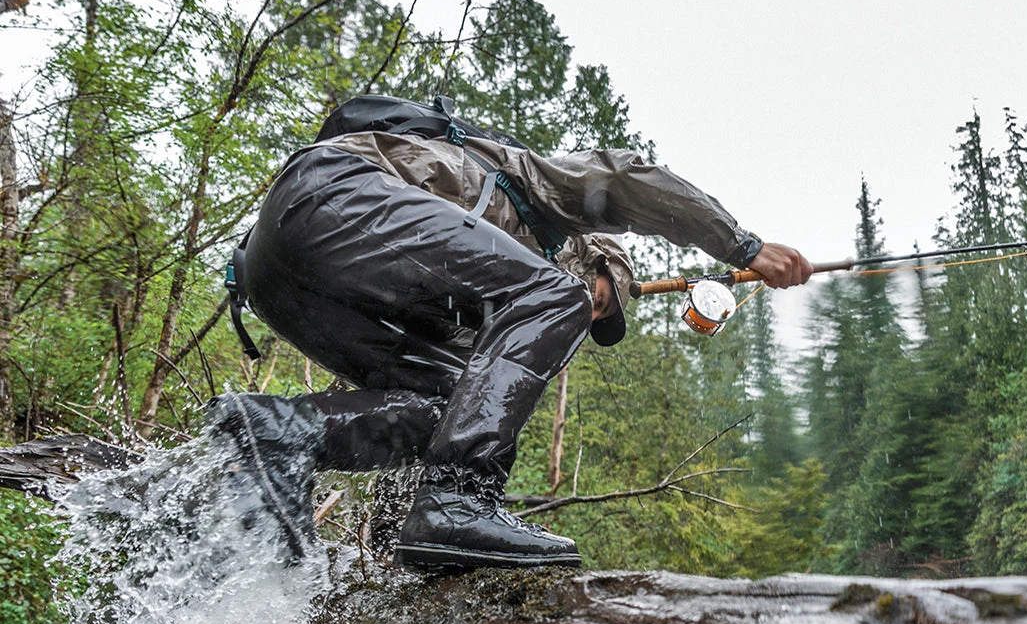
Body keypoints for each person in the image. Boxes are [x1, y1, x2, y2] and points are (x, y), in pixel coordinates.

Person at [208, 98, 812, 570]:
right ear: (593, 256)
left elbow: (449, 412)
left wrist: (400, 540)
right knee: (552, 298)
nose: (586, 318)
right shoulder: (542, 192)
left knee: (451, 398)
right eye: (601, 297)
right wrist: (744, 247)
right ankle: (458, 500)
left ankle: (278, 433)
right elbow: (628, 176)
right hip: (332, 192)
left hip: (276, 279)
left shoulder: (474, 282)